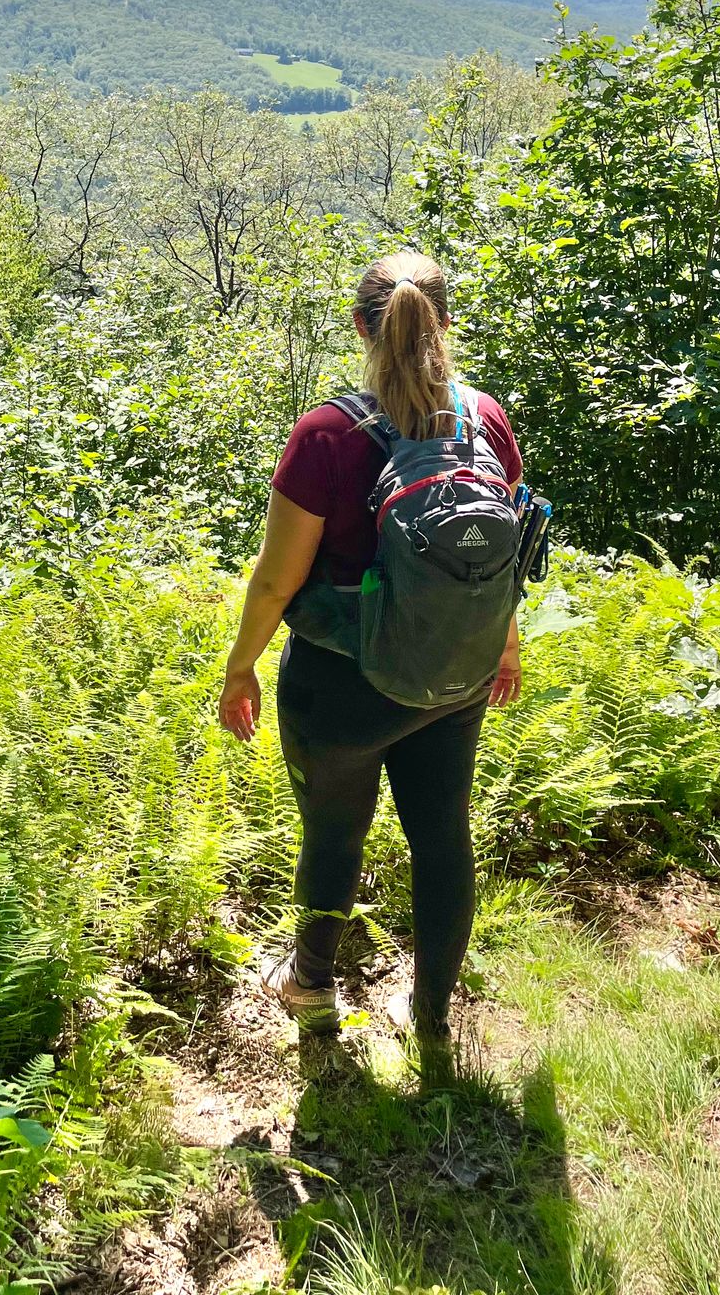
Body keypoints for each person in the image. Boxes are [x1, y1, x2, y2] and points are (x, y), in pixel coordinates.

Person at [217, 249, 523, 1040]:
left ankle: (311, 988)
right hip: (456, 673)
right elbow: (498, 557)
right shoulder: (483, 416)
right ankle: (429, 1014)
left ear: (360, 327)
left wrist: (240, 666)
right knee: (442, 834)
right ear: (445, 322)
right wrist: (505, 646)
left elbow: (277, 582)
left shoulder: (327, 434)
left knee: (332, 831)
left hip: (341, 685)